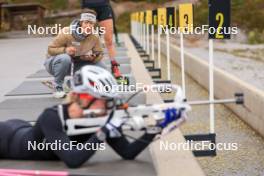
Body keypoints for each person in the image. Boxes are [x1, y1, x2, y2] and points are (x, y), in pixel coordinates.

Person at [0, 66, 160, 168]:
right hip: (6, 139)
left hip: (20, 126)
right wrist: (104, 131)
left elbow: (127, 152)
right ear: (83, 98)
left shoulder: (100, 118)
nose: (108, 106)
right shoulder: (52, 117)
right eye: (103, 101)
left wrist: (157, 128)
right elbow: (73, 159)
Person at [44, 10, 106, 99]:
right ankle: (58, 86)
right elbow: (50, 49)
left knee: (102, 67)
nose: (88, 26)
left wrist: (92, 58)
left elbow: (99, 54)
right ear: (81, 23)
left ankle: (75, 83)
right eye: (86, 22)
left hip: (77, 63)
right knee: (65, 58)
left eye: (91, 23)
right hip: (54, 64)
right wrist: (65, 50)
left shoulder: (94, 36)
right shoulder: (66, 32)